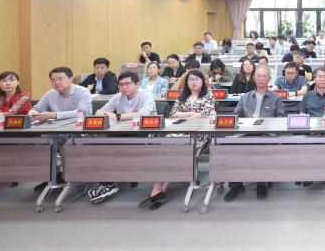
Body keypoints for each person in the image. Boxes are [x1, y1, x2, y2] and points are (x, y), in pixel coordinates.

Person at [142, 70, 214, 210]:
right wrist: (193, 114)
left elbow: (204, 115)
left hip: (198, 134)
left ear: (202, 82)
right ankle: (157, 190)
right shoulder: (181, 97)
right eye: (191, 79)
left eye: (197, 79)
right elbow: (173, 114)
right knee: (163, 151)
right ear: (186, 82)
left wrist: (184, 116)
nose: (194, 82)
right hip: (177, 132)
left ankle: (159, 191)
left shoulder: (208, 96)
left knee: (178, 153)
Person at [90, 71, 157, 204]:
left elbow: (143, 113)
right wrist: (101, 114)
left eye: (128, 83)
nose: (124, 87)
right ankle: (107, 184)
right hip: (121, 129)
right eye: (121, 84)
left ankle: (120, 176)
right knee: (103, 146)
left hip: (143, 130)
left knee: (127, 148)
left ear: (137, 84)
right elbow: (99, 111)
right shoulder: (118, 96)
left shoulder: (146, 94)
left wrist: (118, 117)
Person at [224, 65, 285, 201]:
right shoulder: (245, 97)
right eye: (258, 76)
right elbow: (236, 116)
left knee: (260, 147)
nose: (261, 79)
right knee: (227, 146)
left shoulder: (276, 98)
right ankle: (235, 185)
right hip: (246, 133)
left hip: (267, 135)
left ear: (269, 79)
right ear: (254, 78)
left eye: (264, 76)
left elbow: (280, 120)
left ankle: (260, 184)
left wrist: (264, 127)